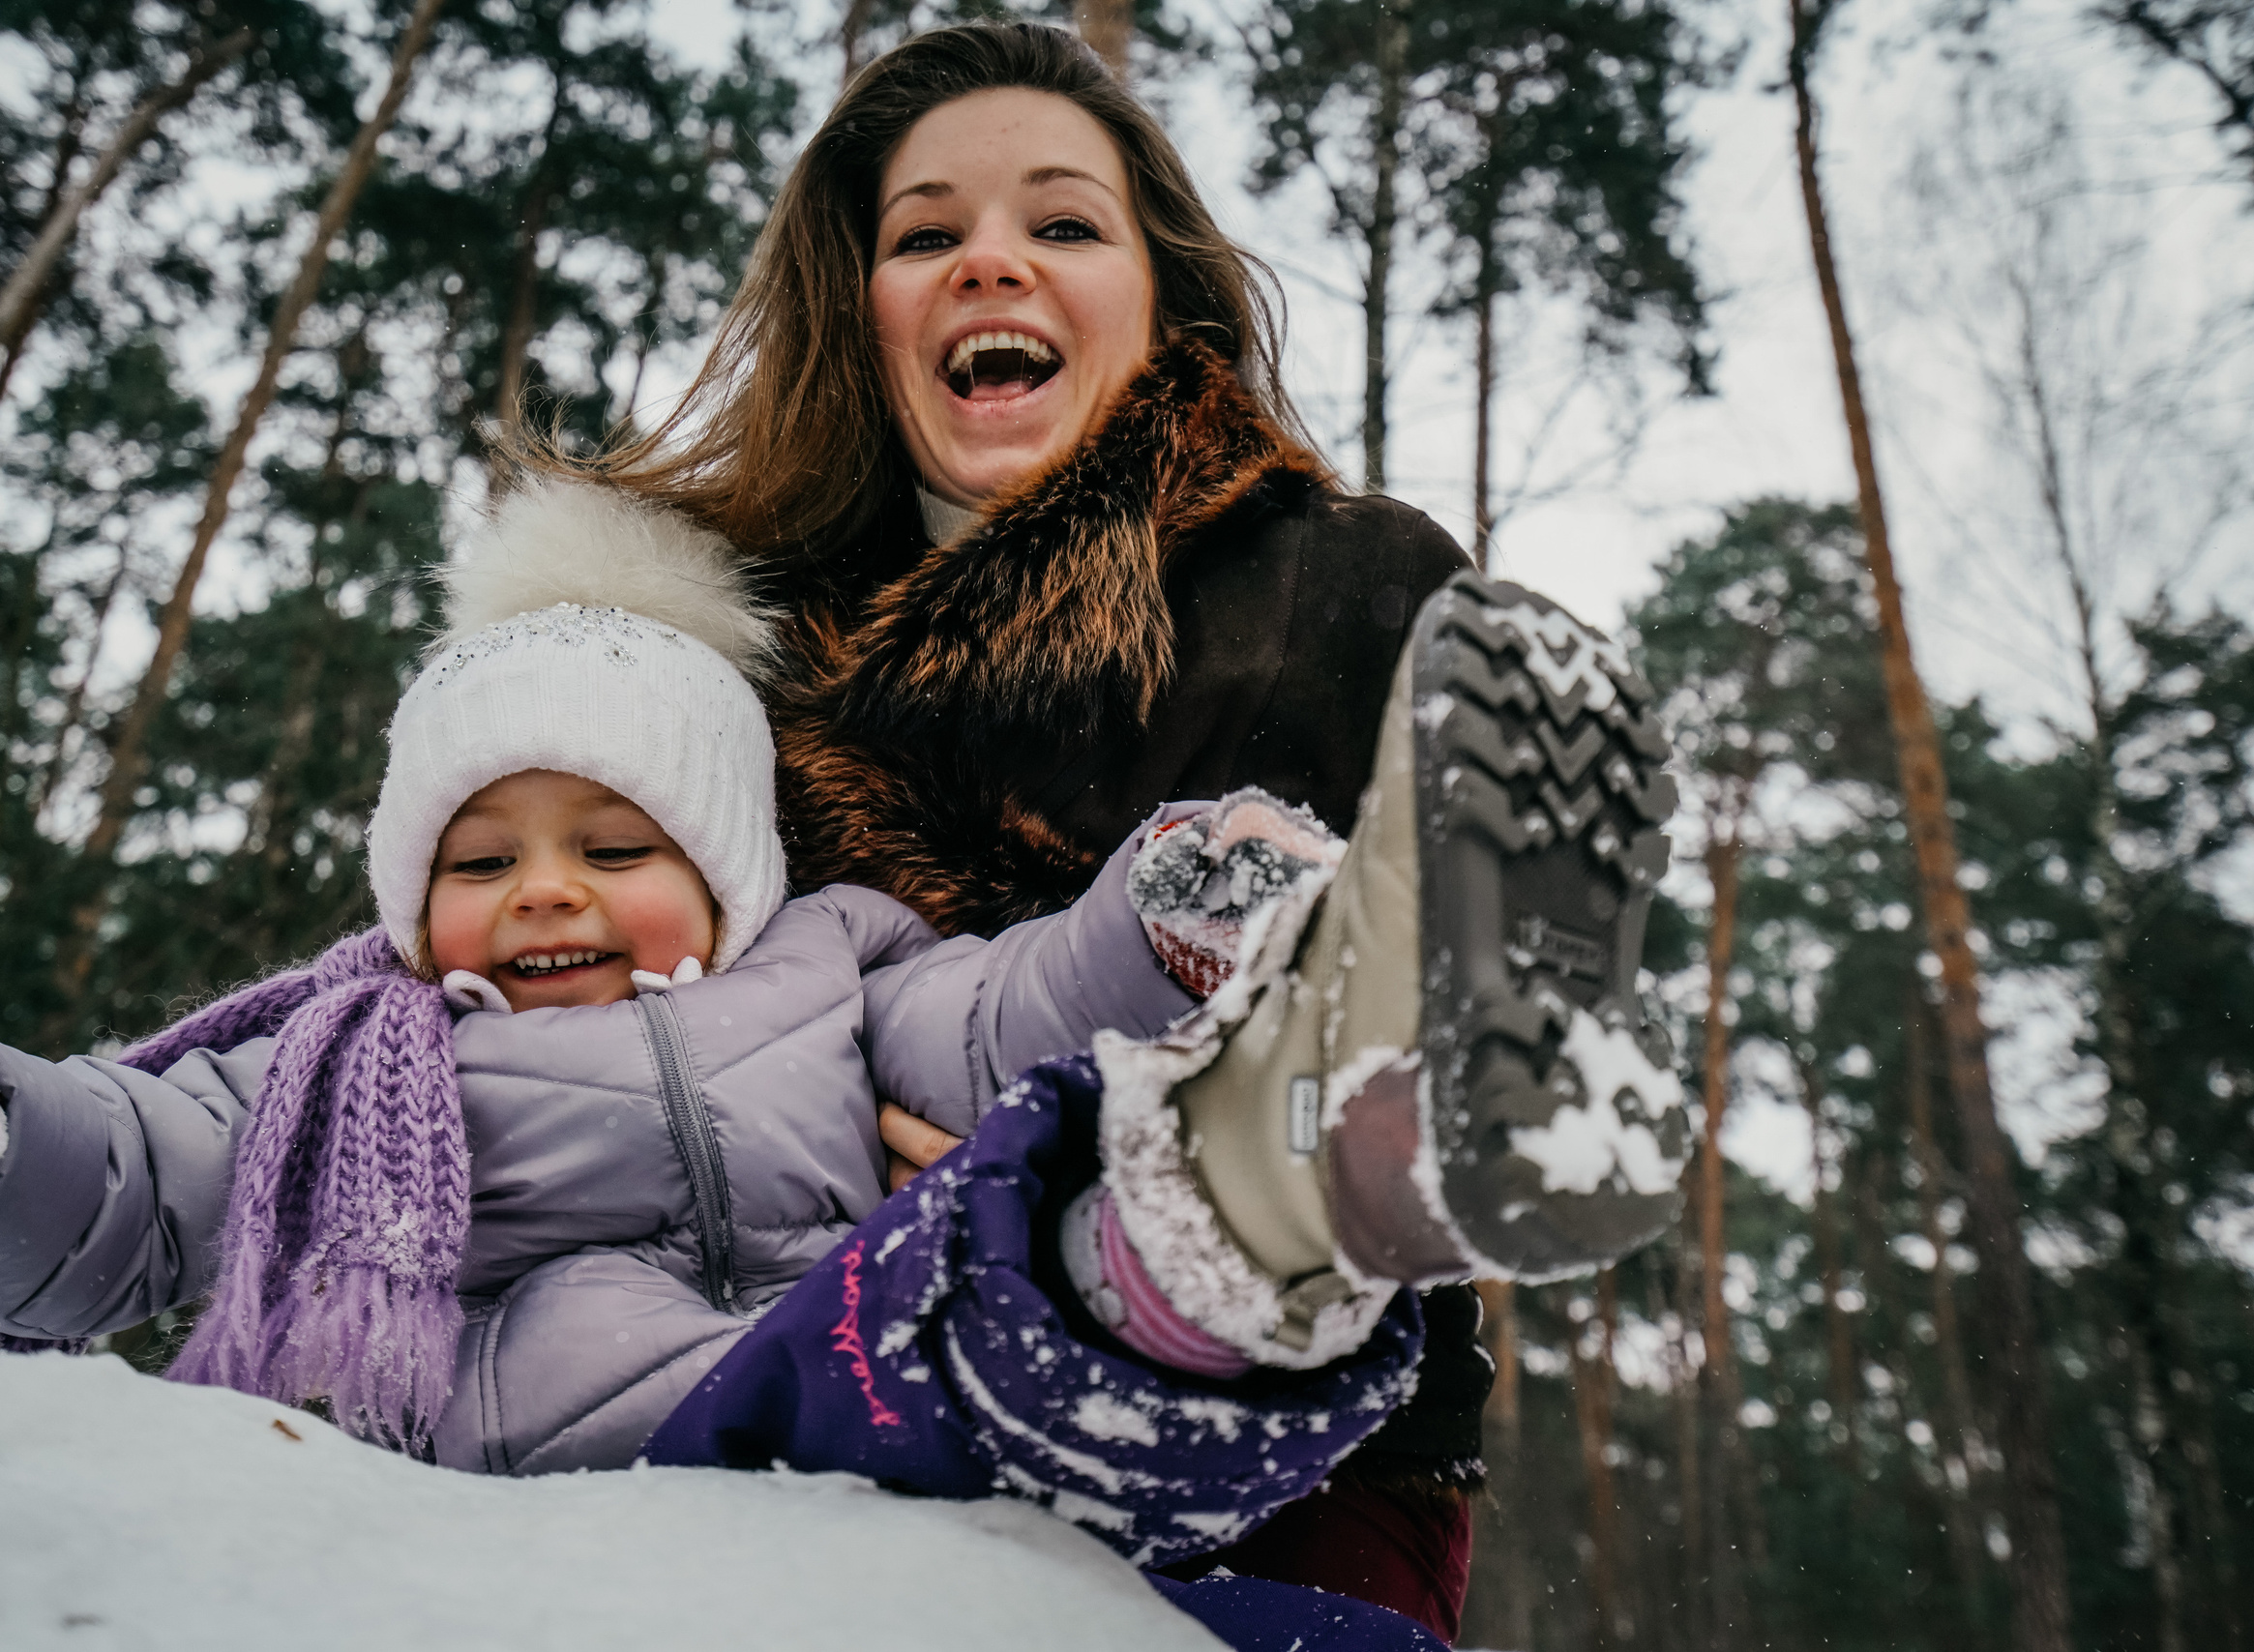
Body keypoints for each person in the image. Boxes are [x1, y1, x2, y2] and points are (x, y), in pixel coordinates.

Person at [535, 19, 1688, 1637]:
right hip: (811, 1364)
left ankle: (1272, 1154)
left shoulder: (1333, 580)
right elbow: (558, 1024)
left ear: (1162, 299)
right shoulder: (714, 686)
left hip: (1285, 1455)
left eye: (1062, 225)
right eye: (926, 233)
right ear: (856, 317)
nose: (989, 263)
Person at [0, 487, 1278, 1476]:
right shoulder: (359, 1061)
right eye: (478, 866)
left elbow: (996, 1023)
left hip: (836, 1435)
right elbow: (147, 1171)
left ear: (724, 865)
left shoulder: (831, 963)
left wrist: (1154, 929)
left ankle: (1243, 1283)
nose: (544, 889)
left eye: (612, 844)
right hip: (506, 1508)